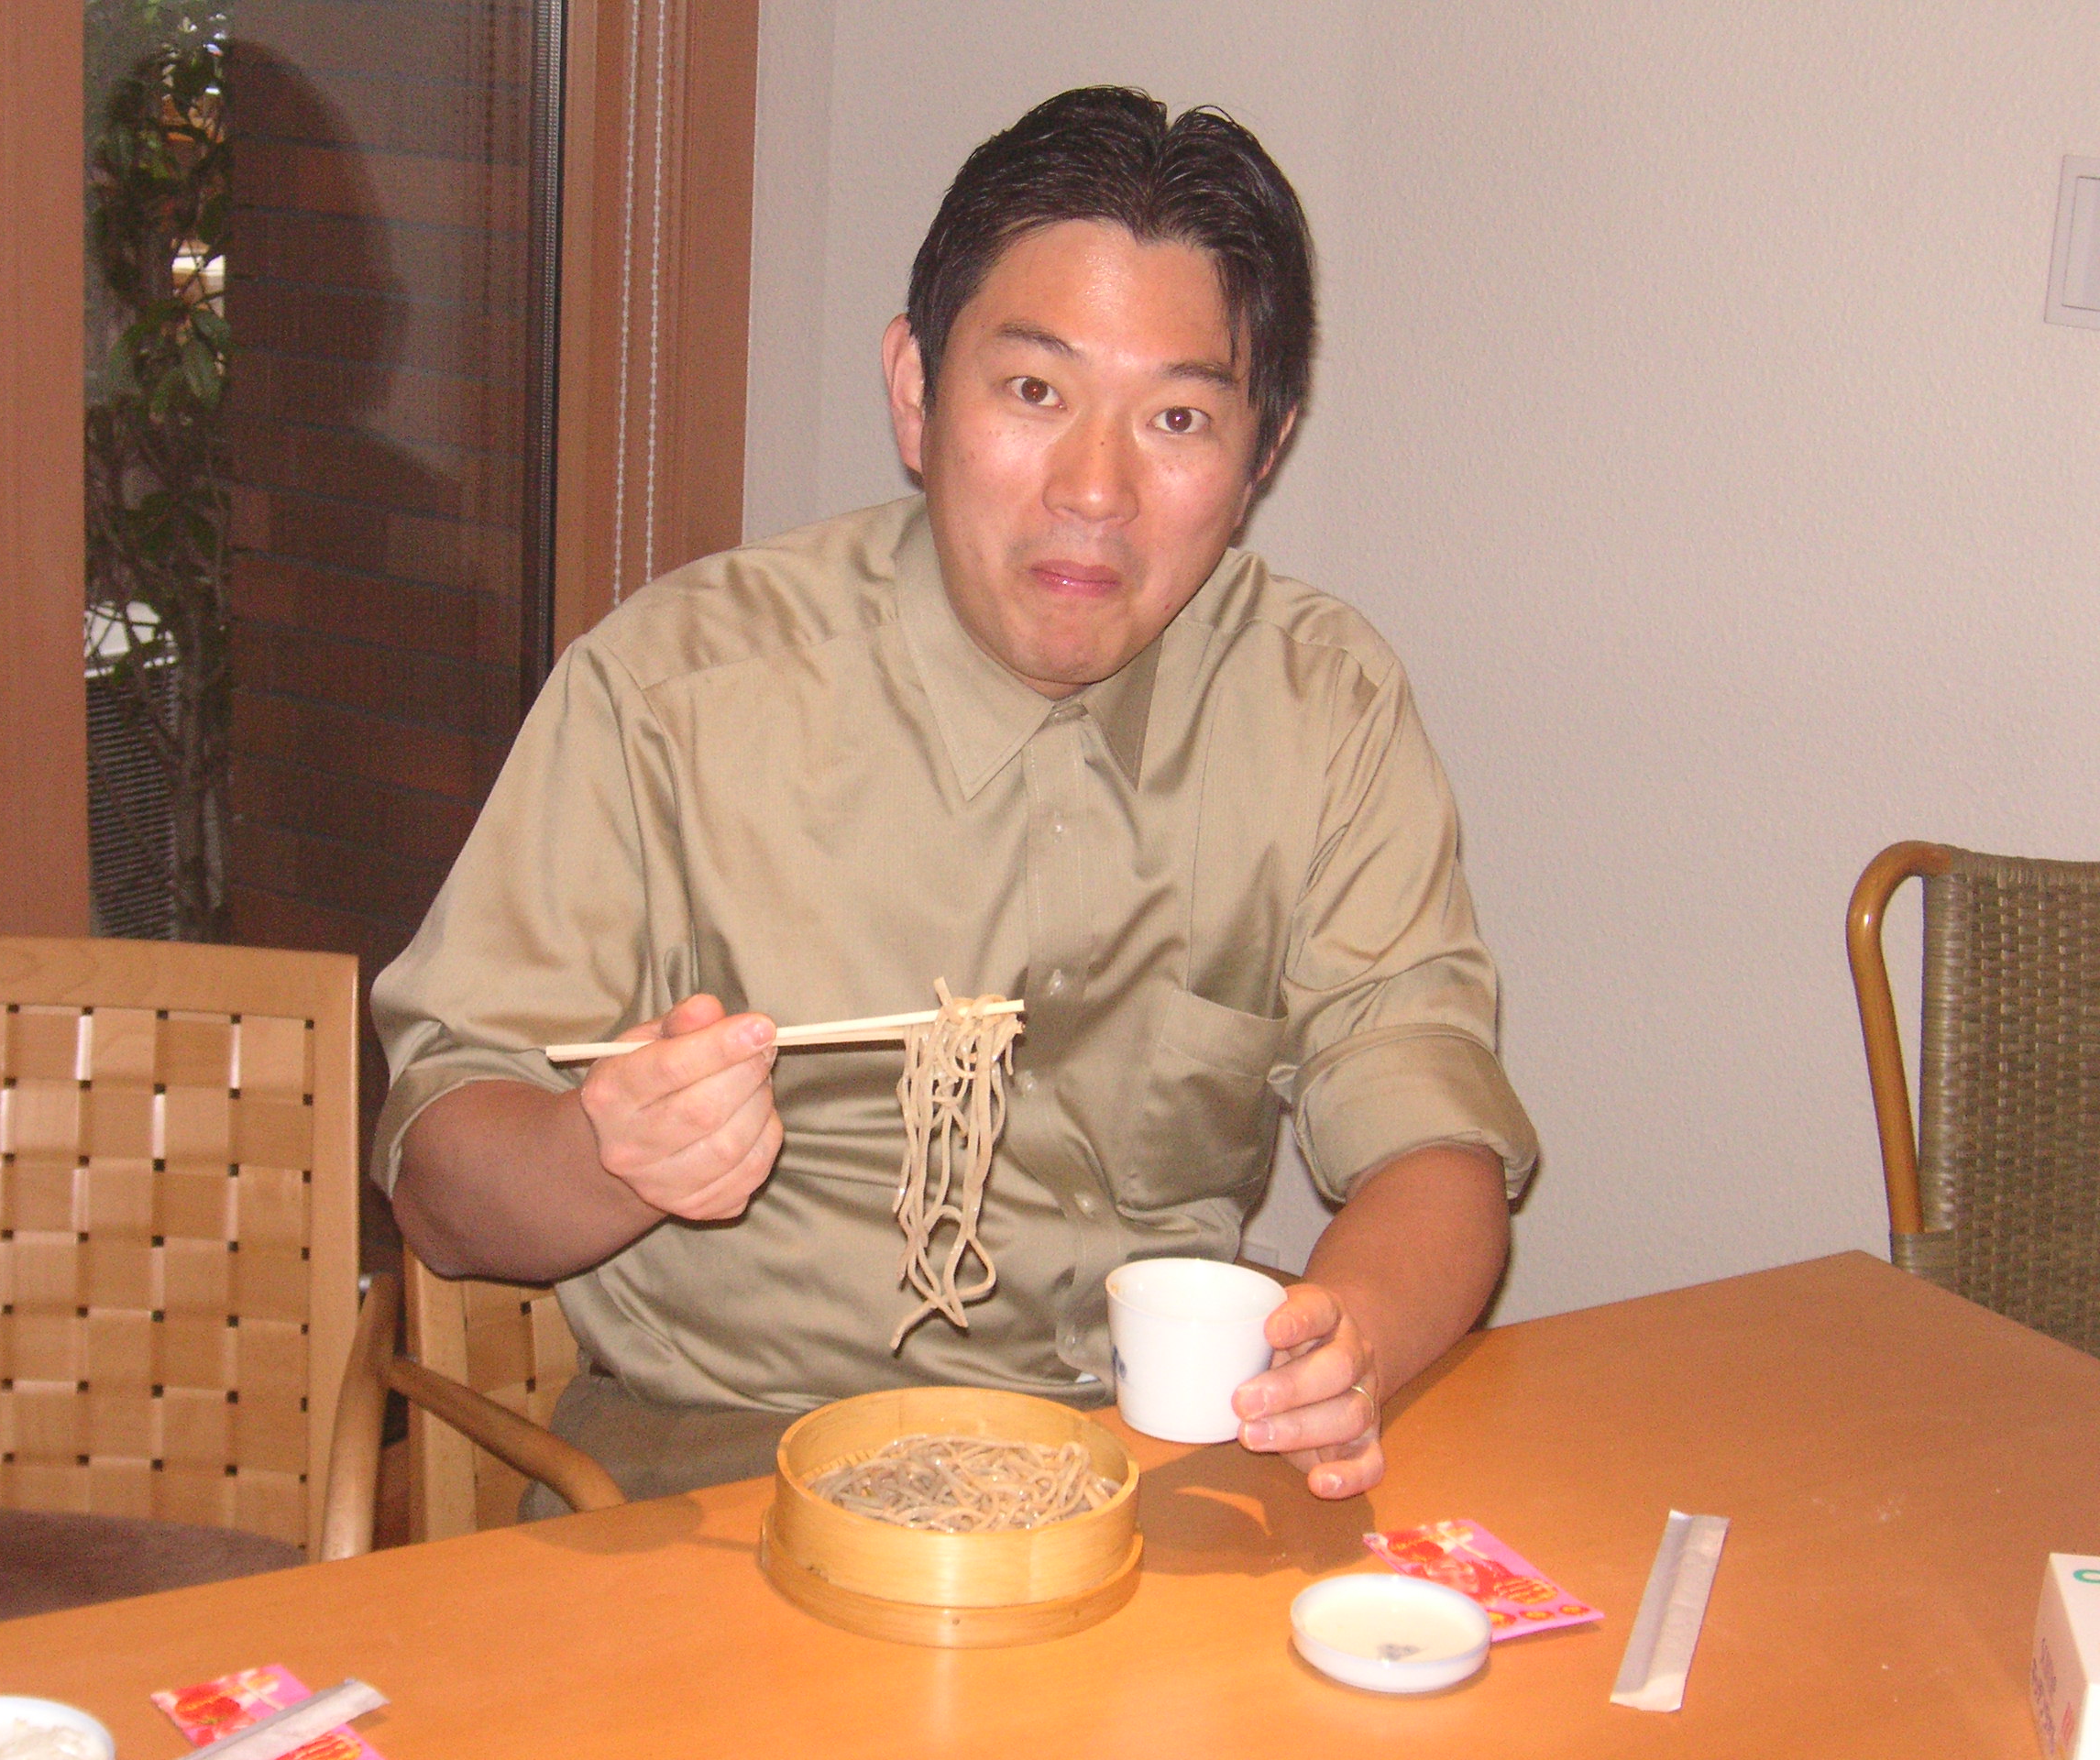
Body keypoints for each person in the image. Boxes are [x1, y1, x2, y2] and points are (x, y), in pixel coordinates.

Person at [370, 86, 1538, 1509]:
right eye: (1035, 392)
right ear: (918, 392)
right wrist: (605, 1155)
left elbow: (1432, 1127)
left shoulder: (1318, 706)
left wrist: (1352, 1341)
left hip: (1153, 1459)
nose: (1094, 489)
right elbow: (440, 1178)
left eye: (1178, 417)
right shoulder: (674, 696)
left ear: (1263, 456)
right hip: (728, 1475)